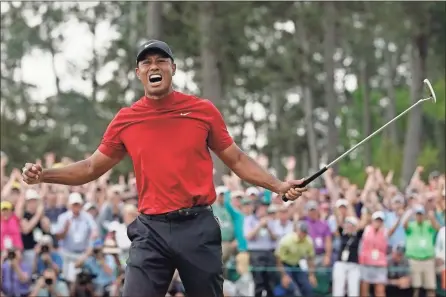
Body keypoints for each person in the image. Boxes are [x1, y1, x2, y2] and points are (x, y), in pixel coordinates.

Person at [21, 39, 306, 297]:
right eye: (146, 62)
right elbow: (91, 167)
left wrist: (278, 185)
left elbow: (238, 160)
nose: (153, 66)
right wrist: (44, 175)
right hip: (151, 230)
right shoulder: (126, 119)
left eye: (161, 61)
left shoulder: (202, 110)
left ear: (173, 68)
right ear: (138, 73)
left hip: (197, 226)